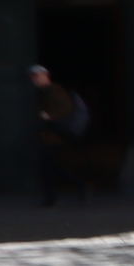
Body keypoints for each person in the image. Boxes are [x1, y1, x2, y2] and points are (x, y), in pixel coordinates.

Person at [31, 65, 89, 207]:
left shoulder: (53, 90)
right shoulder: (43, 91)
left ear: (45, 76)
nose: (35, 79)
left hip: (54, 135)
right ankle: (78, 186)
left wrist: (50, 117)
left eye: (37, 76)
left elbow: (66, 107)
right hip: (49, 135)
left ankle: (73, 188)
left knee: (48, 167)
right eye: (33, 77)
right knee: (50, 167)